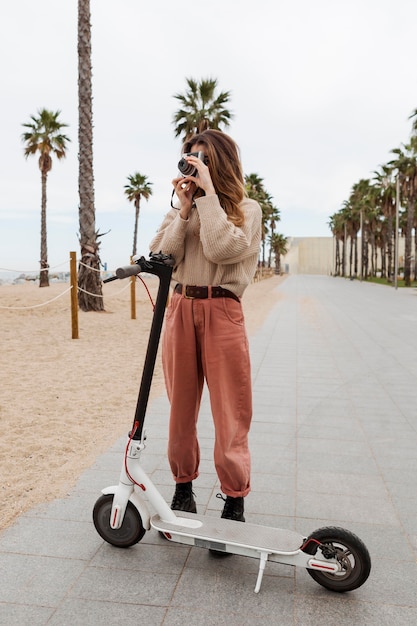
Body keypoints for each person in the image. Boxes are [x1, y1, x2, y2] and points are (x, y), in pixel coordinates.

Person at [150, 129, 262, 529]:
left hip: (223, 311)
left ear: (222, 163)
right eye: (190, 156)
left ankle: (234, 499)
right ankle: (183, 488)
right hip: (181, 307)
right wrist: (183, 209)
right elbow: (162, 257)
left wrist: (210, 195)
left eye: (203, 158)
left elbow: (221, 249)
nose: (194, 164)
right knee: (180, 408)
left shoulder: (247, 210)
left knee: (230, 411)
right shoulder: (186, 207)